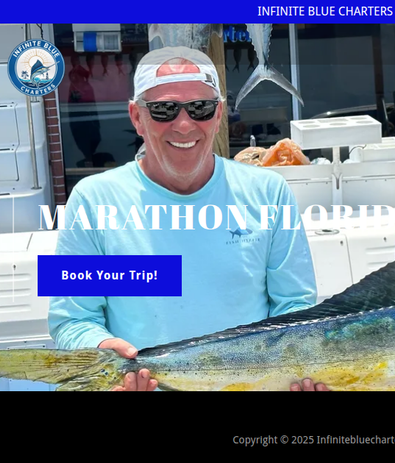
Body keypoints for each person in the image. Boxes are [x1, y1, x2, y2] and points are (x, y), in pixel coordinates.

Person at [48, 47, 317, 391]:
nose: (185, 124)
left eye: (200, 108)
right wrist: (104, 352)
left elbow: (295, 306)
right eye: (164, 110)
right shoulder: (90, 200)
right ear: (136, 117)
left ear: (218, 115)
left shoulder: (270, 192)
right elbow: (71, 320)